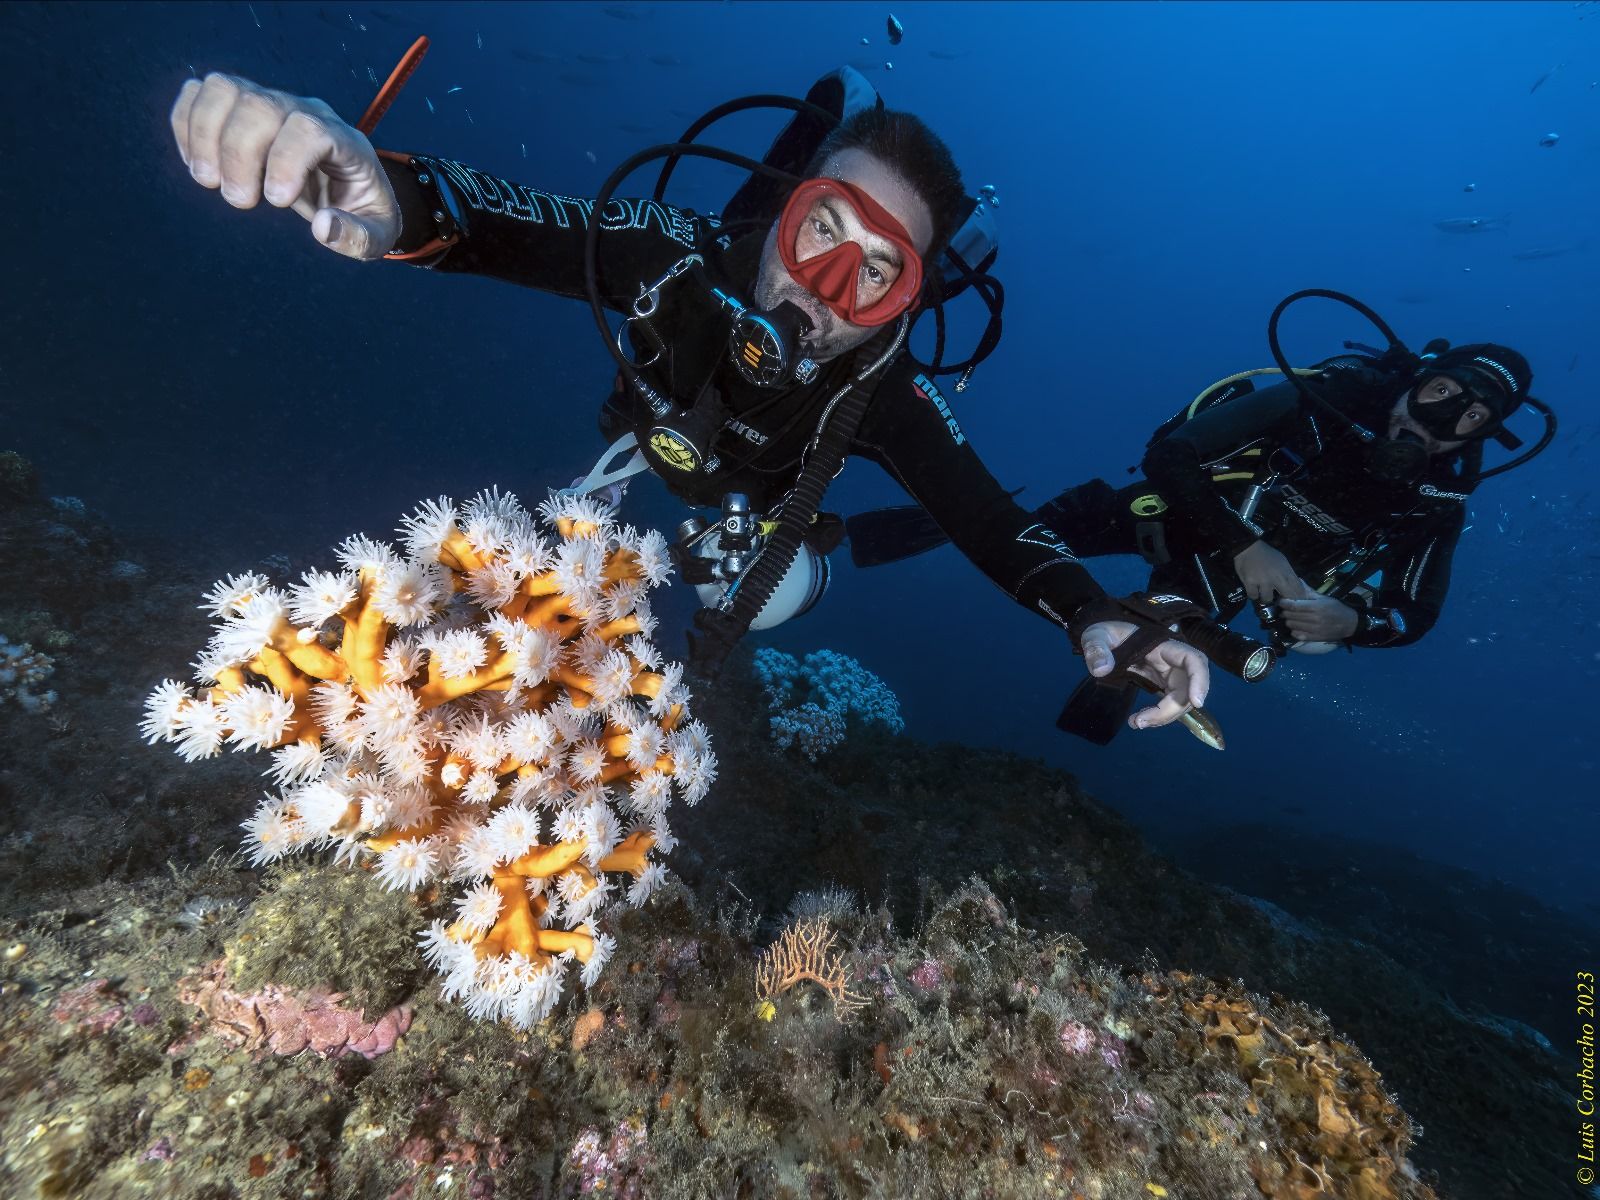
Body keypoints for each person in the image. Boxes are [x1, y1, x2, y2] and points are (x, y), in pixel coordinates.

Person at [167, 67, 1211, 733]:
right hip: (651, 437)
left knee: (784, 588)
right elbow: (500, 219)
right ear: (782, 218)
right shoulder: (672, 263)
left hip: (760, 505)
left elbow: (992, 521)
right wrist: (382, 193)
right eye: (819, 230)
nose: (824, 291)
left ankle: (809, 547)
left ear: (905, 303)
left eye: (877, 273)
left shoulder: (882, 388)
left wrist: (1095, 615)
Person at [847, 338, 1546, 736]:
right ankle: (867, 536)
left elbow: (1415, 614)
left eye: (1472, 417)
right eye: (1442, 396)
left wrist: (1354, 620)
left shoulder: (1439, 500)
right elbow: (1172, 453)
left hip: (1222, 586)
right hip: (1169, 514)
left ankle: (1071, 740)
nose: (1442, 423)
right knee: (1025, 534)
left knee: (1151, 648)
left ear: (1485, 434)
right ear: (1419, 379)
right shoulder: (1324, 400)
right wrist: (1244, 542)